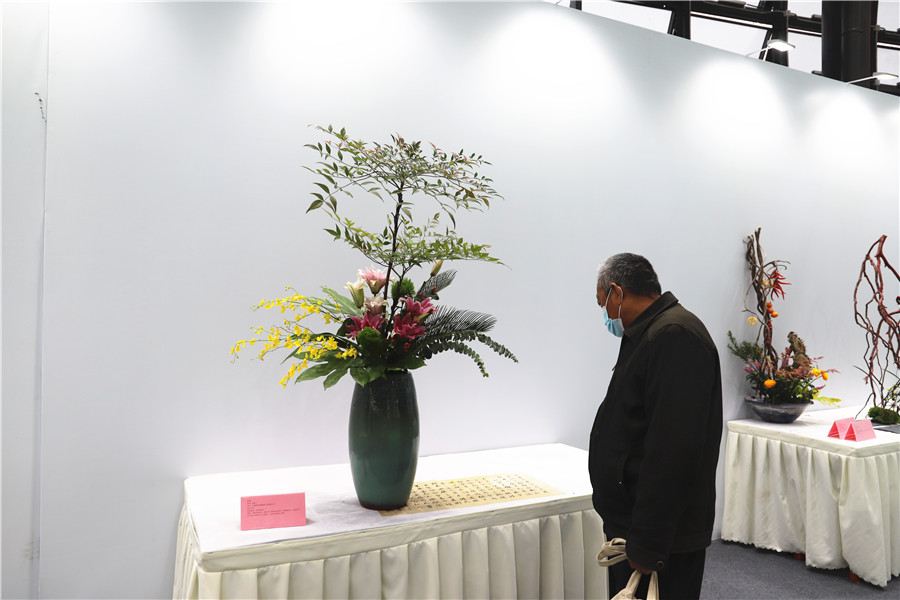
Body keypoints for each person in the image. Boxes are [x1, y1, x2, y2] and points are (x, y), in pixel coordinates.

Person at [589, 253, 722, 600]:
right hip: (635, 523)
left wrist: (648, 542)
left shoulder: (675, 336)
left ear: (617, 292)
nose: (605, 313)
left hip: (660, 537)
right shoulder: (649, 334)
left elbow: (673, 451)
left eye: (603, 303)